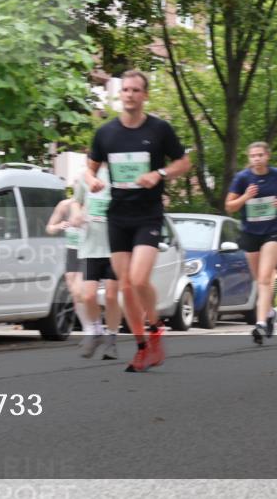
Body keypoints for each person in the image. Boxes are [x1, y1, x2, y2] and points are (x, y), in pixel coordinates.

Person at [86, 70, 192, 372]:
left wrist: (158, 174)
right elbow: (90, 167)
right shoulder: (106, 133)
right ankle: (143, 346)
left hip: (148, 214)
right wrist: (92, 180)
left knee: (138, 279)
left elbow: (184, 163)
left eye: (136, 90)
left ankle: (156, 327)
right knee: (125, 288)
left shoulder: (159, 130)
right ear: (120, 95)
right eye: (125, 90)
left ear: (145, 95)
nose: (130, 95)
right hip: (118, 215)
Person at [225, 142, 277, 345]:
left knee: (265, 278)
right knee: (258, 280)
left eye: (260, 155)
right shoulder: (242, 178)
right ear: (249, 158)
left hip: (274, 231)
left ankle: (260, 323)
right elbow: (229, 206)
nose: (256, 159)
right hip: (250, 233)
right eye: (252, 156)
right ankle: (271, 312)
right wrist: (246, 196)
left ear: (267, 156)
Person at [73, 167, 122, 359]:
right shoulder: (85, 177)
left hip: (114, 247)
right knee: (88, 296)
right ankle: (95, 331)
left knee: (111, 297)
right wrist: (77, 214)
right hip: (90, 247)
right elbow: (76, 203)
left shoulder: (121, 177)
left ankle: (111, 340)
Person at [46, 193, 94, 339]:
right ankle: (89, 326)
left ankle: (90, 328)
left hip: (88, 251)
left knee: (80, 290)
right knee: (74, 291)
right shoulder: (64, 205)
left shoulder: (91, 204)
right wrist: (58, 226)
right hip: (72, 250)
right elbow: (49, 227)